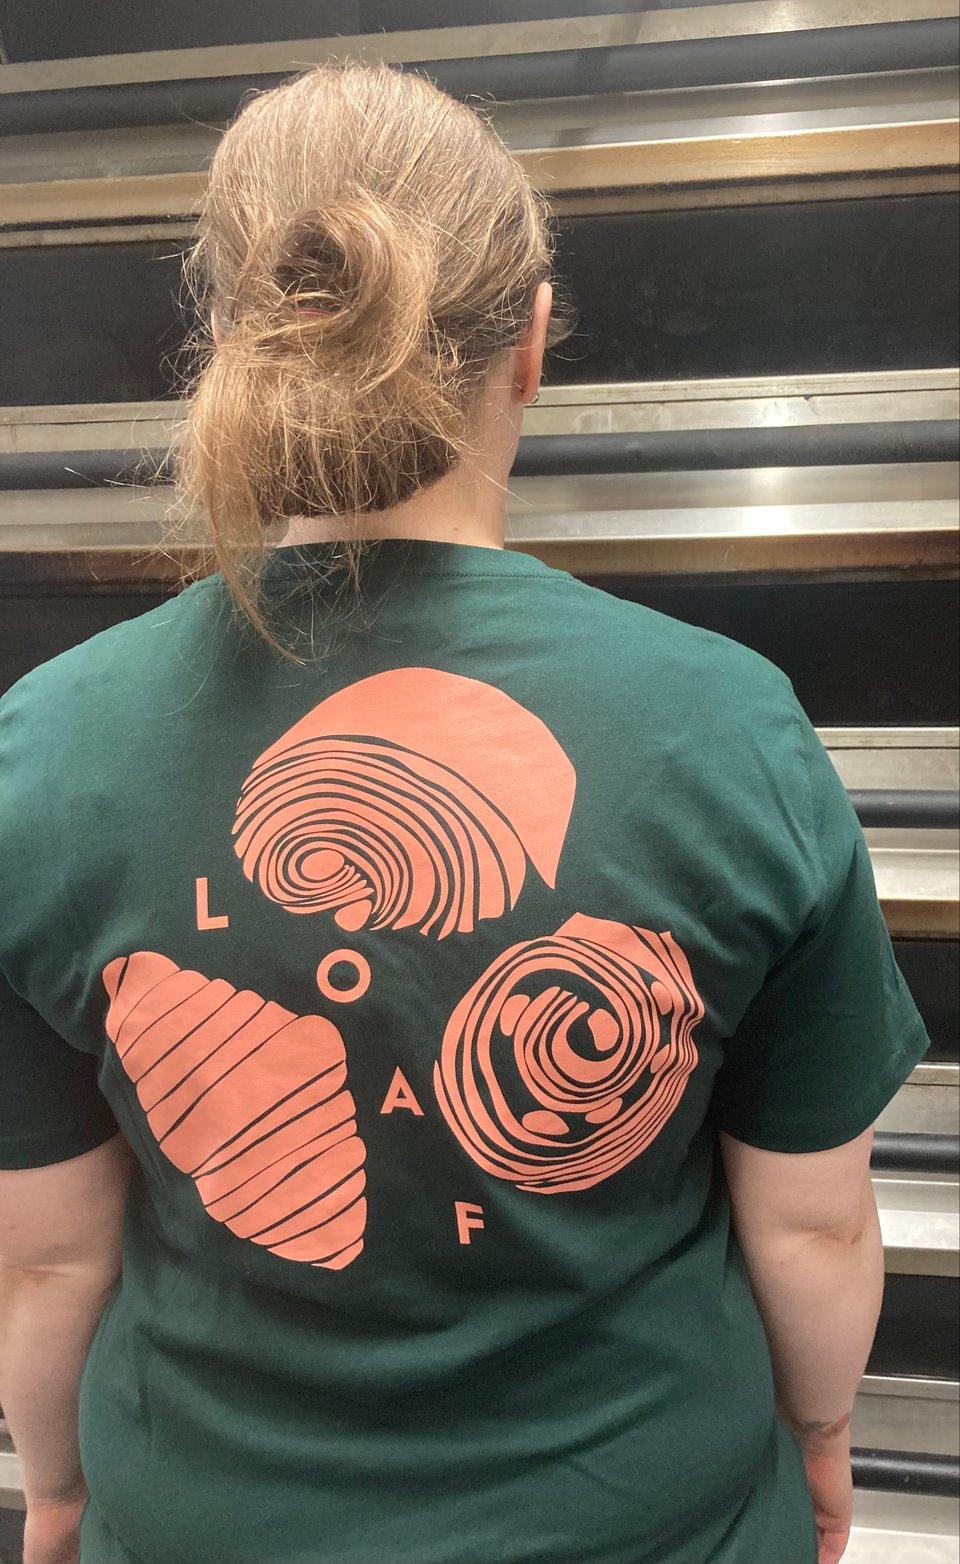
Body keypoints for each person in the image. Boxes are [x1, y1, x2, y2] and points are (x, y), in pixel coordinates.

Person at [0, 63, 930, 1564]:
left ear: (227, 341)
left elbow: (49, 1259)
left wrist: (55, 1491)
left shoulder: (42, 752)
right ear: (534, 343)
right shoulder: (728, 724)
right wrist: (821, 1441)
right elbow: (813, 1223)